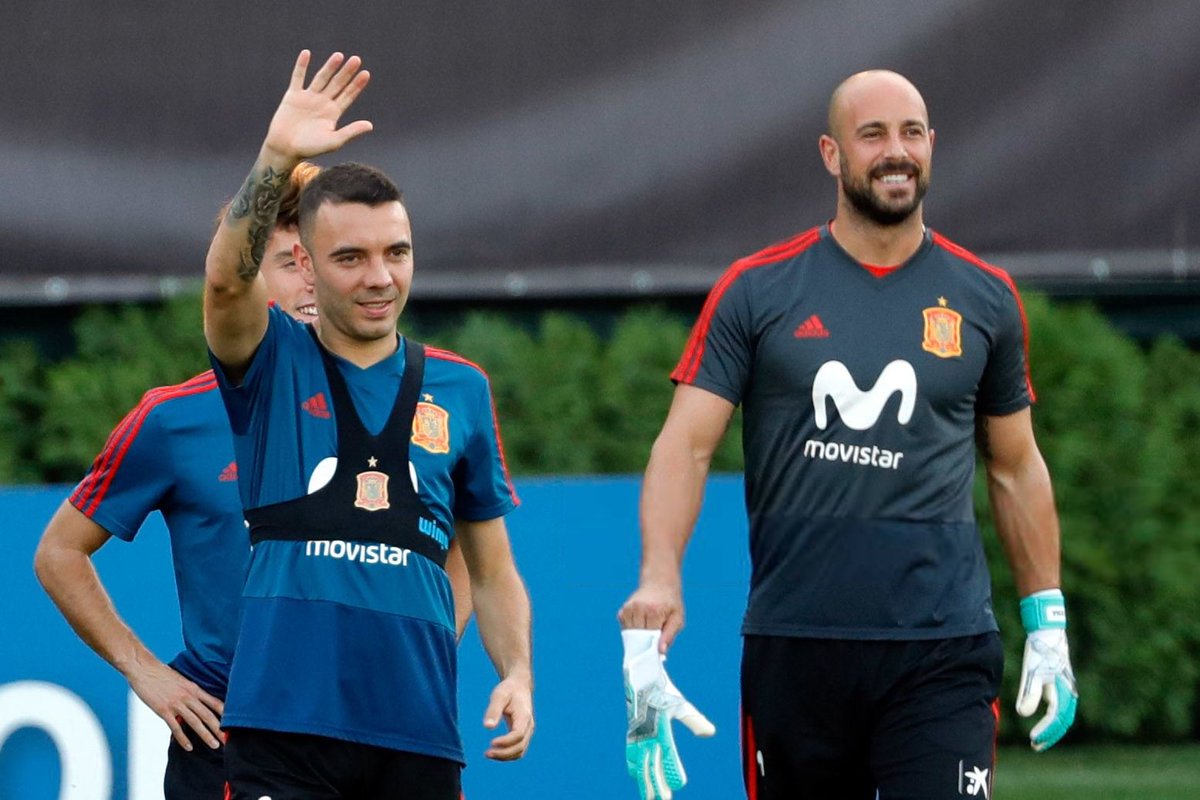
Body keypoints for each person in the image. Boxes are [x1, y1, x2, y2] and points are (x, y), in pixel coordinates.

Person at [618, 69, 1077, 800]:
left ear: (932, 146)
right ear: (832, 154)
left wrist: (1045, 616)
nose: (896, 151)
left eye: (912, 132)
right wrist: (659, 574)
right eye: (874, 135)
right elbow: (686, 445)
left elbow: (1016, 467)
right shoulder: (757, 289)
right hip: (798, 650)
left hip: (942, 648)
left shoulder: (985, 297)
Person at [202, 50, 533, 799]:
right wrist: (277, 156)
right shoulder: (269, 361)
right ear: (306, 267)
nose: (379, 276)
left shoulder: (462, 388)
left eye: (397, 252)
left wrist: (516, 674)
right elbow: (227, 279)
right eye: (350, 257)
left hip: (417, 736)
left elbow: (492, 567)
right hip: (282, 732)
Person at [32, 163, 337, 799]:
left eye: (324, 259)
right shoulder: (174, 419)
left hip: (375, 728)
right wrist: (145, 673)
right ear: (251, 282)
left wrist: (427, 654)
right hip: (234, 737)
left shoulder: (405, 402)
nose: (311, 280)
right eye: (288, 261)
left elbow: (463, 544)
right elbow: (60, 551)